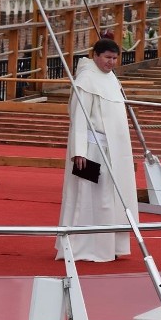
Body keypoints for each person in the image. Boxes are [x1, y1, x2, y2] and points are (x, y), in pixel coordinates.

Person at [55, 39, 137, 262]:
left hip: (114, 148)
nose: (111, 62)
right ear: (95, 55)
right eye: (107, 57)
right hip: (91, 149)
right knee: (90, 196)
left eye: (114, 58)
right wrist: (78, 151)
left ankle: (110, 245)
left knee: (111, 197)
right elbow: (79, 118)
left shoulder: (111, 77)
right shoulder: (86, 79)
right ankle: (84, 246)